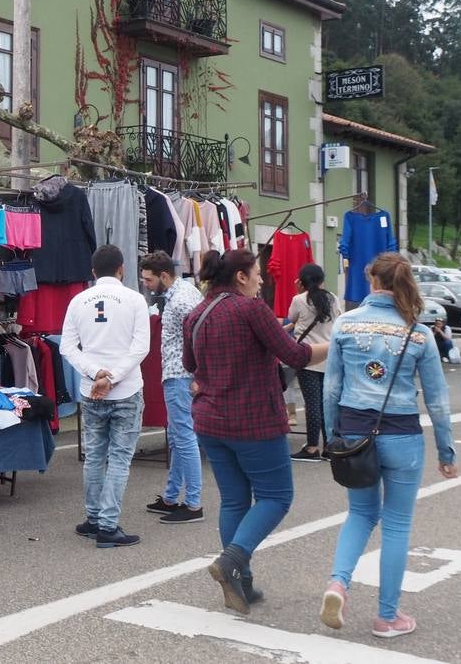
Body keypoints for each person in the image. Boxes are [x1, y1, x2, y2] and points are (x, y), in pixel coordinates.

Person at [183, 249, 329, 614]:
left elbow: (190, 363)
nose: (263, 280)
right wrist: (336, 345)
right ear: (241, 277)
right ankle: (232, 560)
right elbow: (296, 356)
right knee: (276, 497)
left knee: (234, 500)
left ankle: (242, 584)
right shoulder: (251, 309)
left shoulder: (197, 314)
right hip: (254, 421)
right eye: (258, 274)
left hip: (210, 421)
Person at [321, 252, 458, 639]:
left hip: (355, 435)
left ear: (372, 281)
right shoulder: (419, 331)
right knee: (397, 524)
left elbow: (331, 389)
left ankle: (338, 584)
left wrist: (333, 437)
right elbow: (437, 400)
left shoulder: (345, 325)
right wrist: (447, 452)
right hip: (401, 436)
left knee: (360, 515)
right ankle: (387, 616)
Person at [62, 244, 151, 549]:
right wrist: (112, 376)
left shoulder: (78, 301)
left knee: (95, 456)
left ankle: (93, 518)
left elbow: (68, 348)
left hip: (92, 390)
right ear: (121, 269)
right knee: (119, 459)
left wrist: (96, 373)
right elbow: (141, 348)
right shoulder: (136, 300)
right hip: (126, 389)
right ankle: (108, 526)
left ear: (92, 272)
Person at [139, 251, 205, 524]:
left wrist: (198, 375)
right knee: (179, 438)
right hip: (180, 374)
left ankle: (193, 504)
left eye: (149, 279)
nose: (146, 284)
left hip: (180, 376)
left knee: (184, 438)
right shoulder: (183, 293)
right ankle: (170, 497)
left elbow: (200, 336)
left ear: (164, 276)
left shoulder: (180, 301)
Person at [283, 263, 340, 462]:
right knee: (327, 403)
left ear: (302, 281)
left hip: (307, 357)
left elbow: (291, 319)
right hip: (328, 356)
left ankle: (312, 448)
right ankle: (330, 446)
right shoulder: (332, 298)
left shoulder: (299, 299)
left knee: (312, 404)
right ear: (322, 279)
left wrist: (299, 291)